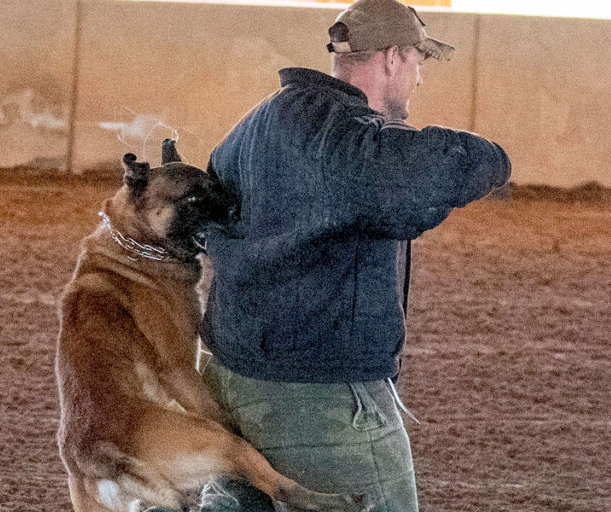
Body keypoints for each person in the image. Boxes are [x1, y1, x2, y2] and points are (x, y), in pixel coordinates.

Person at [197, 0, 511, 510]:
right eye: (418, 63)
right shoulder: (346, 139)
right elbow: (416, 180)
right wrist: (493, 159)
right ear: (393, 58)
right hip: (318, 391)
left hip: (227, 374)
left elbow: (206, 212)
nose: (419, 80)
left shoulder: (258, 122)